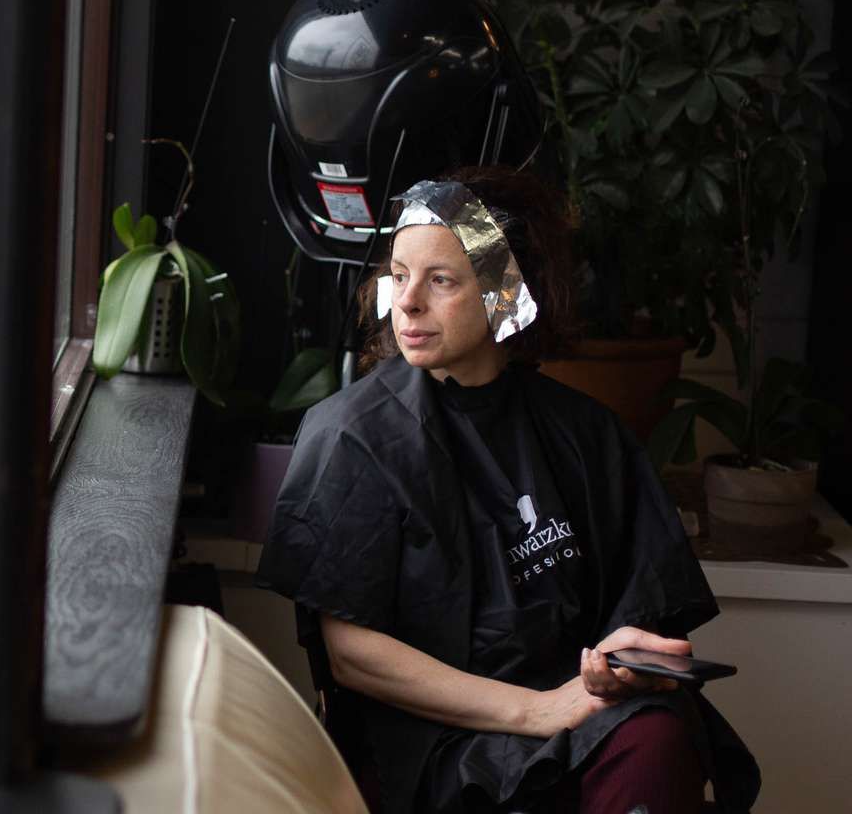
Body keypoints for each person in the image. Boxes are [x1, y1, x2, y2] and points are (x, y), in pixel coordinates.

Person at [255, 167, 758, 814]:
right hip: (430, 740)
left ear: (501, 293)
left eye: (440, 281)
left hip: (574, 705)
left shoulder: (586, 435)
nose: (406, 303)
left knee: (658, 739)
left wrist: (623, 660)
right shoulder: (353, 438)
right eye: (399, 275)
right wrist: (538, 710)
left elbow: (640, 603)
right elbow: (350, 656)